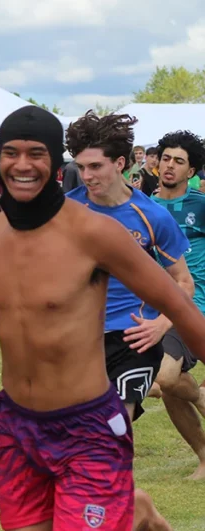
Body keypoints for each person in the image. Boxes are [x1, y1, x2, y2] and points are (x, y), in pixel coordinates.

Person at [0, 106, 195, 531]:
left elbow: (182, 301)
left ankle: (124, 508)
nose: (22, 165)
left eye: (36, 154)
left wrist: (161, 326)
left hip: (95, 412)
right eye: (11, 153)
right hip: (16, 426)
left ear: (54, 163)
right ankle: (133, 509)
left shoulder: (99, 230)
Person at [65, 112, 195, 426]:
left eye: (96, 166)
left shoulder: (151, 215)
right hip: (77, 336)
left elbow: (183, 281)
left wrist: (162, 324)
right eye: (81, 167)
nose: (87, 176)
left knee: (113, 427)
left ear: (120, 163)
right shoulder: (65, 210)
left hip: (133, 338)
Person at [148, 130, 205, 478]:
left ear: (191, 170)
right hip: (157, 308)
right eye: (166, 158)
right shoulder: (143, 206)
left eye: (179, 161)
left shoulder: (201, 205)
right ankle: (204, 456)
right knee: (169, 385)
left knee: (168, 378)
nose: (170, 165)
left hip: (196, 304)